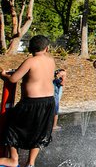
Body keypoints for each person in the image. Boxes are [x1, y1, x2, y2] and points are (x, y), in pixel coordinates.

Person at [0, 35, 57, 167]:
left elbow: (13, 79)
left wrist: (3, 75)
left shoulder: (30, 61)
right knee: (39, 131)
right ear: (47, 48)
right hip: (48, 102)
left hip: (31, 102)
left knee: (12, 128)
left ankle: (13, 159)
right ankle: (31, 163)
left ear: (30, 48)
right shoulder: (51, 61)